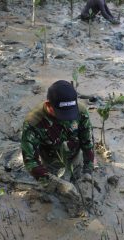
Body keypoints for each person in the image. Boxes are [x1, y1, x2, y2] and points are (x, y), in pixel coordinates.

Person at [21, 80, 95, 215]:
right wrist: (57, 183)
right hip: (50, 164)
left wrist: (88, 170)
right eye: (62, 113)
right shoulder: (33, 122)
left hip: (74, 158)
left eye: (70, 112)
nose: (66, 118)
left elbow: (87, 142)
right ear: (48, 105)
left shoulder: (81, 111)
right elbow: (30, 161)